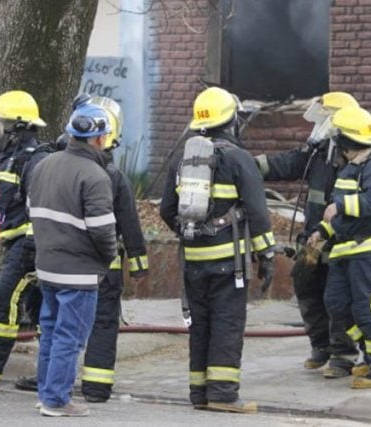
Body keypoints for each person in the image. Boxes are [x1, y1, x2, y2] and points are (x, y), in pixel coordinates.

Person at [159, 87, 276, 414]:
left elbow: (167, 209)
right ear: (231, 121)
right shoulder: (239, 158)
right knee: (226, 324)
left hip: (193, 263)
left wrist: (191, 236)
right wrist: (266, 257)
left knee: (200, 325)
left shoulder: (183, 158)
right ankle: (223, 395)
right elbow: (258, 212)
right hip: (230, 264)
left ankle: (199, 393)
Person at [254, 92, 360, 378]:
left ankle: (343, 355)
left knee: (337, 299)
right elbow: (288, 163)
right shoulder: (319, 153)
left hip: (340, 242)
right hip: (314, 239)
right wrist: (249, 165)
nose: (320, 125)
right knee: (306, 287)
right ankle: (321, 347)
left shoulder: (355, 159)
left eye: (325, 119)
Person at [28, 103, 117, 417]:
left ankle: (46, 394)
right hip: (79, 274)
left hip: (47, 267)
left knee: (50, 332)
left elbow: (34, 212)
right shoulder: (95, 176)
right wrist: (109, 260)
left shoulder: (44, 165)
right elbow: (103, 231)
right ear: (98, 139)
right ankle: (56, 400)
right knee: (70, 337)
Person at [310, 106, 371, 389]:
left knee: (368, 308)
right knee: (337, 305)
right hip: (346, 251)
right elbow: (340, 216)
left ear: (348, 142)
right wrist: (321, 231)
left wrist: (340, 205)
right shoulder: (351, 168)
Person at [0, 90, 53, 388]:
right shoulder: (10, 159)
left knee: (1, 303)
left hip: (29, 246)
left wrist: (33, 249)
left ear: (18, 127)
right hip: (19, 244)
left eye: (3, 123)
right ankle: (46, 377)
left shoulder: (34, 161)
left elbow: (40, 208)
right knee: (39, 310)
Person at [80, 97, 149, 403]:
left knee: (58, 319)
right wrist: (138, 262)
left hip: (65, 264)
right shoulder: (115, 178)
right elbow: (129, 222)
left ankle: (51, 380)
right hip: (103, 266)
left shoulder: (62, 168)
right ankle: (96, 387)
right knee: (103, 322)